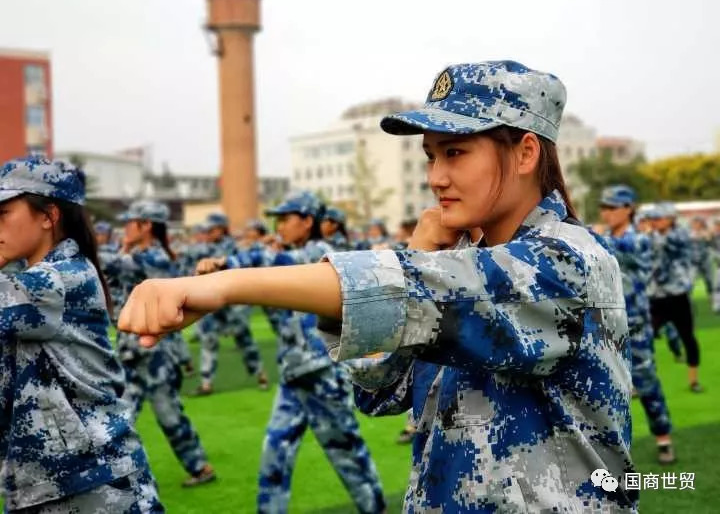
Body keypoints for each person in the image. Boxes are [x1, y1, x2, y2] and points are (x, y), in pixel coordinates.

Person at [120, 61, 637, 512]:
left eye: (455, 152)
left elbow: (429, 292)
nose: (435, 177)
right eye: (431, 156)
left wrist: (226, 285)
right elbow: (381, 390)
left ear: (525, 153)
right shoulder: (457, 261)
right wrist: (421, 254)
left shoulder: (570, 262)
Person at [196, 191, 386, 514]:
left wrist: (226, 263)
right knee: (274, 456)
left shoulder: (322, 255)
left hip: (322, 372)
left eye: (286, 219)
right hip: (293, 373)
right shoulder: (288, 252)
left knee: (348, 455)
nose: (280, 226)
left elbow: (273, 262)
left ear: (308, 221)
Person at [0, 157, 163, 512]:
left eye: (3, 213)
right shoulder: (35, 277)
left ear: (49, 216)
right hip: (40, 485)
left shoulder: (59, 279)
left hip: (98, 484)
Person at [101, 199, 216, 487]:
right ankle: (112, 474)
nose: (125, 228)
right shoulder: (136, 254)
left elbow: (110, 264)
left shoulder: (156, 257)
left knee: (167, 413)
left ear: (146, 226)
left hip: (156, 353)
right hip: (133, 349)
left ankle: (200, 467)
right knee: (122, 413)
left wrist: (80, 243)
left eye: (130, 222)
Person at [598, 186, 675, 464]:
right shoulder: (601, 240)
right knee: (605, 390)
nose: (606, 212)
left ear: (628, 208)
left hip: (636, 327)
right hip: (606, 327)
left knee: (647, 384)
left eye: (612, 207)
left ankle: (663, 438)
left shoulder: (639, 240)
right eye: (603, 207)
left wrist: (591, 238)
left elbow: (625, 252)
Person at [194, 213, 268, 394]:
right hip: (211, 304)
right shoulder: (204, 249)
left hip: (232, 304)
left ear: (221, 229)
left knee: (245, 341)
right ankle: (206, 383)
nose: (208, 233)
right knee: (208, 341)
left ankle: (260, 374)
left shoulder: (234, 248)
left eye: (211, 230)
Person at [646, 202, 703, 392]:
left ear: (671, 219)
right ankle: (640, 381)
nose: (654, 222)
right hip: (657, 297)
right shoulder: (650, 237)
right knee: (643, 338)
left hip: (678, 295)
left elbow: (672, 245)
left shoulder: (681, 235)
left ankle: (693, 381)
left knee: (688, 337)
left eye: (658, 218)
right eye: (652, 218)